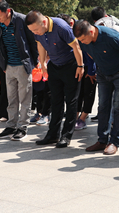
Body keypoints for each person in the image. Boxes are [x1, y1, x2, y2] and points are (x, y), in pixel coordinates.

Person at [74, 20, 119, 155]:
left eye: (83, 39)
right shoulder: (83, 41)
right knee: (103, 106)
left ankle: (114, 142)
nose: (82, 42)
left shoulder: (111, 36)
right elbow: (90, 54)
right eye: (80, 40)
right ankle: (102, 140)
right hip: (102, 73)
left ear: (91, 31)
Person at [26, 11, 84, 148]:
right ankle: (52, 135)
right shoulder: (37, 30)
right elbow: (40, 45)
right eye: (32, 31)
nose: (35, 32)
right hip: (54, 66)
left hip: (71, 66)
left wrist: (80, 66)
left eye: (36, 30)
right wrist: (43, 64)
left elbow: (76, 46)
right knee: (55, 101)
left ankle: (66, 136)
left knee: (71, 101)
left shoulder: (61, 27)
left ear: (44, 22)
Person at [0, 0, 39, 141]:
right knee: (11, 98)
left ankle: (22, 127)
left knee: (25, 98)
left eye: (0, 16)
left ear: (8, 11)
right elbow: (0, 43)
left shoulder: (22, 20)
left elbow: (33, 42)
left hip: (23, 64)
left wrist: (33, 63)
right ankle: (11, 125)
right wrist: (2, 64)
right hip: (8, 66)